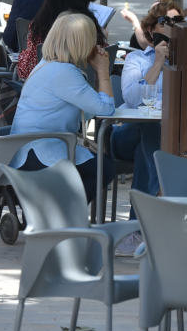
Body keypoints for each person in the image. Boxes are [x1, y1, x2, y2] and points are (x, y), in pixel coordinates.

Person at [9, 12, 115, 203]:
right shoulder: (65, 72)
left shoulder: (47, 64)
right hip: (42, 153)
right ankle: (63, 216)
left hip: (29, 149)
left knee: (99, 167)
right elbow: (105, 110)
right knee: (104, 169)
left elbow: (89, 110)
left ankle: (59, 214)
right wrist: (103, 72)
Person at [110, 1, 183, 255]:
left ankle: (139, 230)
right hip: (125, 134)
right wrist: (159, 62)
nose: (172, 31)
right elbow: (131, 97)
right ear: (151, 31)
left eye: (177, 24)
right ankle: (153, 224)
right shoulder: (136, 59)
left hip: (166, 137)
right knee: (148, 133)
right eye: (166, 24)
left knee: (149, 146)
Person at [16, 0, 105, 80]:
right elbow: (104, 62)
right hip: (89, 86)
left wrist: (22, 56)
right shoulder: (89, 25)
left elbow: (27, 70)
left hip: (47, 90)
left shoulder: (40, 25)